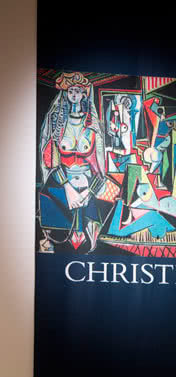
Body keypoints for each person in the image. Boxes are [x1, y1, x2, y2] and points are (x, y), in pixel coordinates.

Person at [38, 71, 110, 252]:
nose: (74, 95)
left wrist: (88, 193)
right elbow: (52, 161)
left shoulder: (93, 125)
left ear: (84, 94)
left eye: (78, 91)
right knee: (52, 215)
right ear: (66, 94)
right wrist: (69, 190)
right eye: (70, 91)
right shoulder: (57, 123)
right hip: (61, 179)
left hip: (88, 182)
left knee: (92, 225)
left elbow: (100, 165)